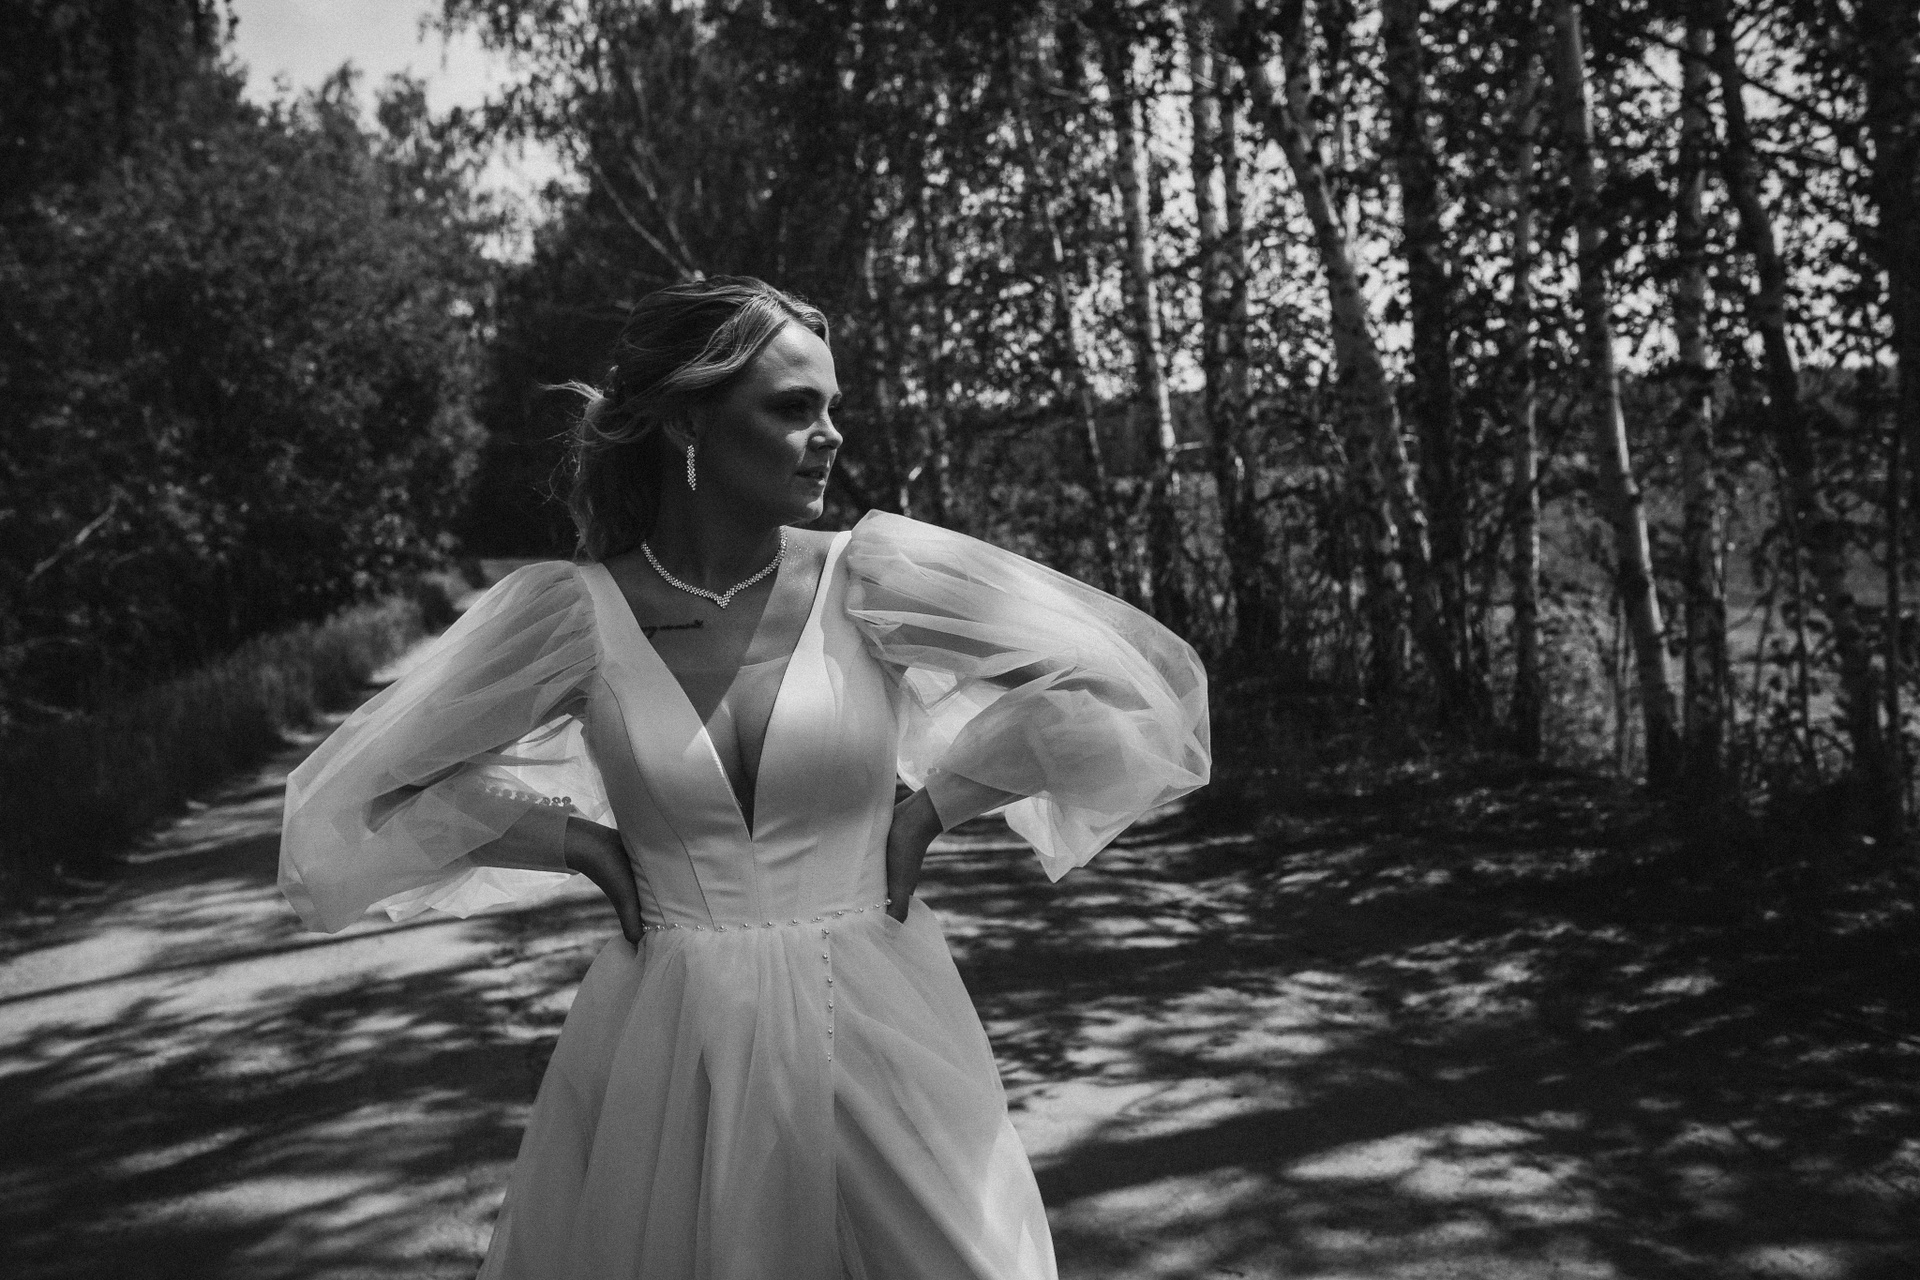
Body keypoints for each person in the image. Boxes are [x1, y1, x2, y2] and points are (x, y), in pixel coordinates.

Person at [278, 276, 1210, 1279]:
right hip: (672, 1045)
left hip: (881, 1022)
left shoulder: (872, 577)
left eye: (833, 406)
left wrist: (935, 806)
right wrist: (577, 841)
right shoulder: (574, 615)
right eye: (793, 407)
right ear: (688, 421)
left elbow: (1127, 693)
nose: (831, 435)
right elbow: (363, 800)